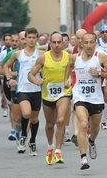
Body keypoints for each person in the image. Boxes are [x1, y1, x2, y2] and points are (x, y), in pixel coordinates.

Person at [64, 32, 107, 170]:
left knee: (94, 128)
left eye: (91, 42)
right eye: (85, 42)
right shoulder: (74, 58)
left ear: (95, 43)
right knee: (83, 124)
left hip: (96, 98)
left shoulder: (100, 57)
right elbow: (69, 67)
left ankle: (92, 141)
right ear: (81, 43)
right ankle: (83, 158)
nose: (88, 45)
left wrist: (100, 73)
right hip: (79, 97)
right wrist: (66, 79)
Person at [28, 32, 71, 165]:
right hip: (48, 94)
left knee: (61, 120)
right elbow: (31, 74)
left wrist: (68, 80)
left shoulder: (69, 57)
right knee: (50, 124)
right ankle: (50, 146)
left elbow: (79, 68)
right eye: (54, 42)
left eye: (60, 42)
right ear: (50, 43)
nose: (57, 45)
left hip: (64, 93)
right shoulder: (43, 58)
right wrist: (36, 81)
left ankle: (58, 150)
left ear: (63, 43)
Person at [3, 27, 44, 155]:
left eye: (34, 38)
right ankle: (23, 136)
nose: (31, 40)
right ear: (25, 39)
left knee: (34, 119)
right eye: (29, 38)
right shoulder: (18, 54)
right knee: (25, 113)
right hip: (22, 89)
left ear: (37, 39)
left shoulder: (41, 54)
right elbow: (5, 66)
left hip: (36, 89)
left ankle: (32, 141)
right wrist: (10, 78)